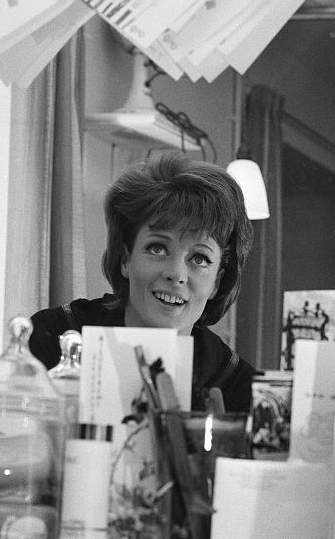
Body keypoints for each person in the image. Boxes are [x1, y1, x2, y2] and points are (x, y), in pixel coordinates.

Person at [29, 152, 261, 413]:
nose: (176, 274)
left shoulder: (237, 386)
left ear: (218, 281)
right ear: (126, 259)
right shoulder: (54, 336)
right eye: (158, 248)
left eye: (199, 258)